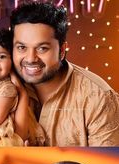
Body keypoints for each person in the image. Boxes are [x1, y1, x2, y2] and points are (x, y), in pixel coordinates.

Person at [10, 1, 119, 146]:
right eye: (22, 47)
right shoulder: (1, 86)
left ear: (62, 51)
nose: (30, 58)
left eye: (42, 48)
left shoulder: (99, 97)